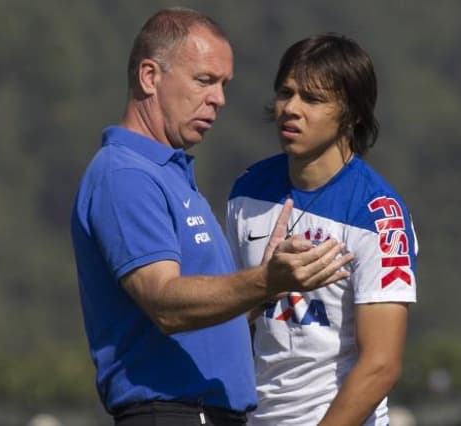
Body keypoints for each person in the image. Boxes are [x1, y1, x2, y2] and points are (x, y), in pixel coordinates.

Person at [70, 9, 354, 426]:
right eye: (204, 80)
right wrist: (264, 280)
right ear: (150, 77)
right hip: (172, 412)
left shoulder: (172, 175)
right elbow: (165, 304)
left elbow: (205, 321)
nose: (219, 98)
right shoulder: (126, 174)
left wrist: (263, 291)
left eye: (224, 85)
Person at [226, 33, 418, 426]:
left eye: (312, 99)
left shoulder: (380, 214)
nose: (290, 109)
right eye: (285, 92)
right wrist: (258, 287)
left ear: (353, 114)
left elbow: (380, 364)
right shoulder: (246, 190)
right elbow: (229, 317)